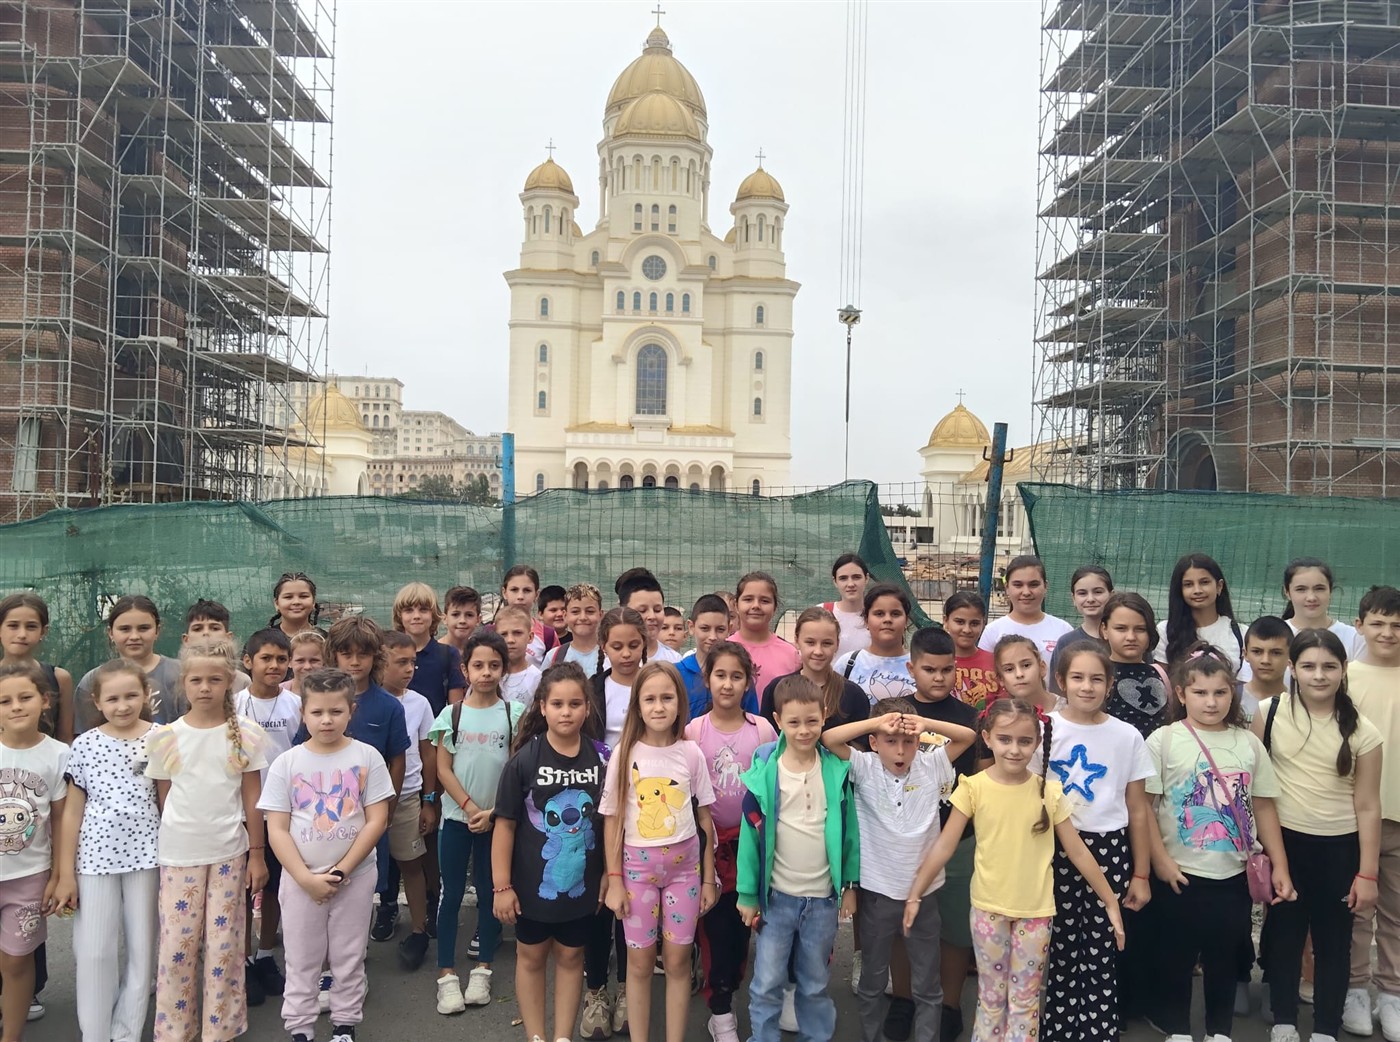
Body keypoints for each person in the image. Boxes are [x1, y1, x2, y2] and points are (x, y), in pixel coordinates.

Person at [903, 698, 1124, 1042]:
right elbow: (945, 845)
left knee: (1024, 1001)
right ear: (987, 738)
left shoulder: (1049, 792)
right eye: (1005, 739)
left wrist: (1110, 901)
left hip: (1036, 913)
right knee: (991, 999)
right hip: (988, 910)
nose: (1014, 749)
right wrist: (915, 893)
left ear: (1037, 743)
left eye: (1024, 741)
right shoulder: (973, 787)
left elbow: (1078, 851)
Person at [1146, 643, 1294, 1042]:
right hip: (1179, 872)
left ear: (1233, 693)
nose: (1211, 702)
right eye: (1200, 692)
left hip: (1233, 875)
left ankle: (1219, 1030)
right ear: (1181, 694)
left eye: (1220, 692)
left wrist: (1280, 865)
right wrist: (1159, 861)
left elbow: (1263, 806)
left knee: (1224, 957)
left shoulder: (1248, 743)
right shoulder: (1163, 740)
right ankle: (1177, 1028)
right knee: (1176, 955)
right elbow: (1144, 807)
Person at [823, 699, 976, 1042]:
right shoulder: (864, 765)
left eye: (908, 741)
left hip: (924, 894)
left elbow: (967, 736)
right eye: (890, 740)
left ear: (919, 741)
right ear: (874, 742)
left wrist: (923, 724)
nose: (901, 750)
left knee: (927, 983)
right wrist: (876, 724)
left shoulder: (932, 764)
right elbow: (829, 738)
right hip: (877, 894)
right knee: (873, 979)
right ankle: (873, 1036)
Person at [1255, 628, 1382, 1042]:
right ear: (1293, 668)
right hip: (1285, 845)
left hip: (1340, 850)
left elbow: (1368, 805)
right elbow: (1258, 790)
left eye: (1329, 666)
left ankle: (1326, 1027)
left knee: (1333, 942)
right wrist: (1268, 852)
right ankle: (1284, 1020)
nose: (1319, 675)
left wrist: (1367, 873)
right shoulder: (1269, 712)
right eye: (1308, 666)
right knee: (1284, 936)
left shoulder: (1364, 731)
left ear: (1344, 669)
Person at [259, 667, 394, 1042]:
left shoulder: (368, 757)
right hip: (300, 880)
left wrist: (341, 872)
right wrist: (305, 878)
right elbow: (277, 828)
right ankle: (300, 1028)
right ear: (303, 712)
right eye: (317, 712)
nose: (326, 720)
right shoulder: (287, 763)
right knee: (301, 958)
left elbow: (376, 820)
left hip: (355, 878)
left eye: (336, 711)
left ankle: (344, 1025)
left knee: (349, 955)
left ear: (352, 711)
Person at [144, 641, 270, 1042]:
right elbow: (164, 797)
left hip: (229, 853)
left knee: (224, 946)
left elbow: (252, 798)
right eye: (196, 679)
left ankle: (221, 1028)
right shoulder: (166, 737)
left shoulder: (245, 735)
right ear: (183, 682)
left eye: (214, 679)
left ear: (229, 682)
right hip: (179, 856)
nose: (204, 687)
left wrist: (257, 854)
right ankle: (174, 1031)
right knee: (177, 946)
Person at [737, 675, 859, 1042]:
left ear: (824, 715)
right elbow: (750, 838)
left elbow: (850, 833)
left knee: (815, 983)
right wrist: (747, 894)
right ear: (777, 720)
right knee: (766, 982)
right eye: (793, 722)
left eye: (811, 721)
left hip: (822, 901)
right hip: (776, 900)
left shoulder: (835, 771)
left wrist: (850, 885)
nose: (804, 730)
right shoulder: (766, 772)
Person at [600, 661, 717, 1042]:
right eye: (649, 699)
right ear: (637, 705)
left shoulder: (691, 753)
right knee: (639, 963)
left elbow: (704, 819)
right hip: (636, 874)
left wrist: (709, 878)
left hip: (685, 874)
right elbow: (612, 821)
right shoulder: (624, 754)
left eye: (667, 698)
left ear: (680, 702)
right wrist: (614, 880)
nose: (659, 706)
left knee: (678, 961)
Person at [1043, 642, 1153, 1042]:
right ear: (1061, 681)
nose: (1086, 687)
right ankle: (1058, 1030)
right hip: (1054, 849)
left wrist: (1141, 874)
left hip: (1109, 849)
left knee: (1104, 945)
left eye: (1096, 679)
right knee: (1060, 944)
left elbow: (1137, 808)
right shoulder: (1043, 729)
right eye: (1077, 677)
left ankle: (1098, 1031)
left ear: (1110, 684)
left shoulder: (1127, 736)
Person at [492, 663, 609, 1042]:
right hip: (531, 889)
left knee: (572, 958)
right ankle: (536, 1036)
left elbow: (611, 824)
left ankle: (562, 1037)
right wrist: (501, 886)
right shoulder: (525, 760)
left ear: (587, 707)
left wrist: (610, 875)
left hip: (582, 889)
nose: (566, 712)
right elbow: (505, 824)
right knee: (531, 958)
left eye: (575, 704)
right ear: (542, 706)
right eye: (557, 704)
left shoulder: (602, 758)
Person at [60, 661, 159, 1042]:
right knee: (94, 951)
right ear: (97, 701)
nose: (123, 705)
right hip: (95, 859)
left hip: (148, 856)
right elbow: (72, 811)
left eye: (131, 695)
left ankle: (127, 1031)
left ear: (146, 695)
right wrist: (65, 873)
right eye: (113, 698)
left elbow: (169, 799)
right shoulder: (84, 744)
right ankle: (96, 1033)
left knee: (142, 949)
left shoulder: (162, 738)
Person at [685, 642, 777, 1042]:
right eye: (720, 675)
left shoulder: (763, 730)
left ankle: (745, 989)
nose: (727, 684)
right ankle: (720, 1008)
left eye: (736, 676)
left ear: (748, 682)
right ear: (707, 679)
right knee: (716, 929)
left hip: (752, 847)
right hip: (710, 850)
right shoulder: (693, 731)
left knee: (746, 927)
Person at [430, 629, 525, 1013]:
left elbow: (516, 769)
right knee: (451, 894)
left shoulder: (513, 714)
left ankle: (483, 968)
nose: (486, 672)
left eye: (494, 665)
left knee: (490, 891)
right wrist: (470, 808)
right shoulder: (451, 714)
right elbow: (443, 768)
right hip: (457, 820)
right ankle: (446, 975)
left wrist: (494, 813)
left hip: (497, 823)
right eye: (478, 665)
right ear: (465, 669)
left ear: (503, 669)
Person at [905, 626, 981, 1041]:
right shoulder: (894, 712)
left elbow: (979, 776)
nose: (938, 677)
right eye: (929, 669)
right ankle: (904, 999)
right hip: (904, 839)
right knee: (903, 924)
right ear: (911, 668)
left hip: (958, 839)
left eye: (946, 669)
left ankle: (949, 1004)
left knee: (954, 928)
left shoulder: (970, 718)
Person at [581, 607, 650, 1038]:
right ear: (603, 647)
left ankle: (627, 988)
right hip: (595, 806)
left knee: (632, 901)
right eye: (617, 646)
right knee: (599, 898)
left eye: (634, 645)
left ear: (645, 644)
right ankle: (595, 991)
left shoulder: (655, 684)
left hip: (645, 805)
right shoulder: (591, 691)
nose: (626, 654)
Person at [0, 662, 70, 1042]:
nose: (15, 706)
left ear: (44, 701)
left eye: (24, 697)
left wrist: (59, 875)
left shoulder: (59, 755)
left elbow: (60, 820)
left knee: (16, 959)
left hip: (29, 878)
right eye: (4, 701)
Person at [1344, 585, 1400, 1040]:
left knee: (1397, 913)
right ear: (1359, 625)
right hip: (1354, 816)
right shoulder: (1344, 677)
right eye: (1378, 623)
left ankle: (1393, 993)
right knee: (1357, 910)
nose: (1388, 633)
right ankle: (1354, 989)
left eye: (1397, 625)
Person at [236, 628, 299, 1004]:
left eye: (281, 659)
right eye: (265, 658)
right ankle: (242, 961)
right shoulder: (234, 705)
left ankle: (264, 956)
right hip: (242, 812)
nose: (273, 665)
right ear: (248, 661)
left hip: (283, 812)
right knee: (245, 889)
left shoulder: (296, 705)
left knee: (276, 887)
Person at [379, 631, 438, 973]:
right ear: (380, 661)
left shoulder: (419, 704)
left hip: (407, 798)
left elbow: (428, 754)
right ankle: (378, 917)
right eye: (400, 662)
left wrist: (428, 800)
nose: (409, 669)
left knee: (412, 864)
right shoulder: (360, 701)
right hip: (364, 803)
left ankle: (419, 931)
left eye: (413, 662)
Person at [74, 596, 182, 733]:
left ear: (157, 631)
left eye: (143, 628)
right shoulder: (92, 681)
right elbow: (83, 734)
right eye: (125, 629)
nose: (134, 636)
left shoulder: (181, 674)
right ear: (110, 633)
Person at [760, 607, 868, 732]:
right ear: (797, 641)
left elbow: (860, 743)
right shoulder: (775, 689)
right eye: (810, 642)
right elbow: (768, 738)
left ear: (837, 644)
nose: (818, 651)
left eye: (827, 643)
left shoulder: (853, 695)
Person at [0, 592, 74, 754]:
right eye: (13, 625)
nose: (22, 634)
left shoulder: (59, 678)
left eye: (31, 626)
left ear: (43, 631)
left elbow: (65, 738)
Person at [977, 555, 1073, 668]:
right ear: (1007, 587)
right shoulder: (993, 631)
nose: (1026, 592)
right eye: (1018, 585)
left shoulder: (1063, 630)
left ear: (1045, 586)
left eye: (1033, 585)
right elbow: (984, 673)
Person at [1156, 553, 1247, 673]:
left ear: (1219, 586)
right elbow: (1162, 680)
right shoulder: (1165, 631)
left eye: (1204, 582)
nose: (1197, 590)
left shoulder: (1241, 633)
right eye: (1188, 584)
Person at [1100, 592, 1169, 738]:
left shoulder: (1161, 674)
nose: (1131, 637)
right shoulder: (1098, 675)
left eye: (1140, 629)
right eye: (1121, 628)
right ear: (1105, 630)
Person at [833, 584, 917, 705]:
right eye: (879, 614)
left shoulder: (919, 664)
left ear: (906, 621)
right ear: (866, 620)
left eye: (895, 614)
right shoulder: (847, 664)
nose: (887, 619)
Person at [394, 582, 464, 715]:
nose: (416, 616)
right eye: (409, 610)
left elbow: (456, 711)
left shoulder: (448, 654)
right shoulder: (388, 654)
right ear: (400, 616)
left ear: (433, 614)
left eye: (423, 610)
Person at [1048, 566, 1114, 694]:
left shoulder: (1125, 638)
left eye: (1098, 592)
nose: (1090, 599)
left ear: (1111, 595)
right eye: (1082, 593)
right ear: (1073, 598)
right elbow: (1057, 692)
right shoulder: (1066, 642)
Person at [1281, 558, 1363, 660]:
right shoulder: (1273, 636)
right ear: (1287, 592)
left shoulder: (1354, 638)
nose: (1311, 598)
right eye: (1301, 589)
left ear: (1330, 590)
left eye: (1319, 589)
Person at [677, 594, 740, 716]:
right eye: (705, 628)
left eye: (720, 629)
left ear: (729, 629)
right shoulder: (676, 674)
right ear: (691, 627)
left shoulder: (739, 674)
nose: (712, 637)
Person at [943, 591, 1003, 711]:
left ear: (983, 624)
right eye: (960, 622)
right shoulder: (933, 661)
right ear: (946, 621)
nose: (967, 630)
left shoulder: (997, 662)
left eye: (974, 623)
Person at [616, 568, 683, 665]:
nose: (652, 616)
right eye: (642, 610)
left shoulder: (675, 660)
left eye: (657, 610)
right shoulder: (608, 660)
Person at [182, 599, 251, 692]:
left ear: (228, 637)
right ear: (186, 640)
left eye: (215, 628)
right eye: (197, 629)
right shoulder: (174, 677)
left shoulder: (242, 681)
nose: (206, 633)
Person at [501, 565, 559, 667]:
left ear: (536, 595)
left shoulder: (548, 635)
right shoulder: (490, 632)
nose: (520, 596)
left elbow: (556, 672)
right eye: (514, 590)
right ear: (504, 593)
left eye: (527, 590)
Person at [1241, 616, 1292, 724]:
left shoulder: (1299, 704)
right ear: (1245, 654)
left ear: (1290, 656)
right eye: (1257, 652)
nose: (1266, 660)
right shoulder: (1230, 698)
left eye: (1276, 653)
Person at [823, 552, 872, 656]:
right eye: (843, 578)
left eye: (856, 577)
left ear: (866, 578)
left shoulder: (877, 616)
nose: (850, 584)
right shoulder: (822, 612)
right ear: (835, 581)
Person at [549, 584, 603, 676]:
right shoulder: (554, 656)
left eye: (590, 611)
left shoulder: (611, 654)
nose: (583, 617)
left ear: (600, 615)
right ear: (565, 616)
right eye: (575, 612)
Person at [496, 605, 544, 708]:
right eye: (503, 634)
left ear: (530, 637)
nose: (510, 640)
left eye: (517, 633)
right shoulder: (490, 676)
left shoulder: (538, 679)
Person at [269, 571, 322, 640]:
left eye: (303, 596)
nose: (296, 602)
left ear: (313, 602)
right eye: (288, 597)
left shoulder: (327, 640)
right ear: (277, 603)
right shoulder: (264, 640)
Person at [443, 586, 484, 667]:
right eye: (455, 614)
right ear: (445, 618)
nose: (462, 621)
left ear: (478, 620)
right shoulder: (433, 652)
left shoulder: (481, 653)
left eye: (469, 615)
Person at [283, 630, 325, 696]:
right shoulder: (278, 692)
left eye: (314, 660)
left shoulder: (334, 692)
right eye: (300, 660)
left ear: (324, 661)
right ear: (289, 662)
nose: (307, 667)